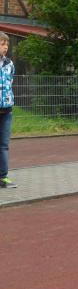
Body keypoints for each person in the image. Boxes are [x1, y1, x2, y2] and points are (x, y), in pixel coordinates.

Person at [0, 33, 15, 189]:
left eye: (7, 45)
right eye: (2, 44)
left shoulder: (10, 64)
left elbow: (10, 82)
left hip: (6, 111)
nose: (5, 47)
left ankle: (3, 177)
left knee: (4, 145)